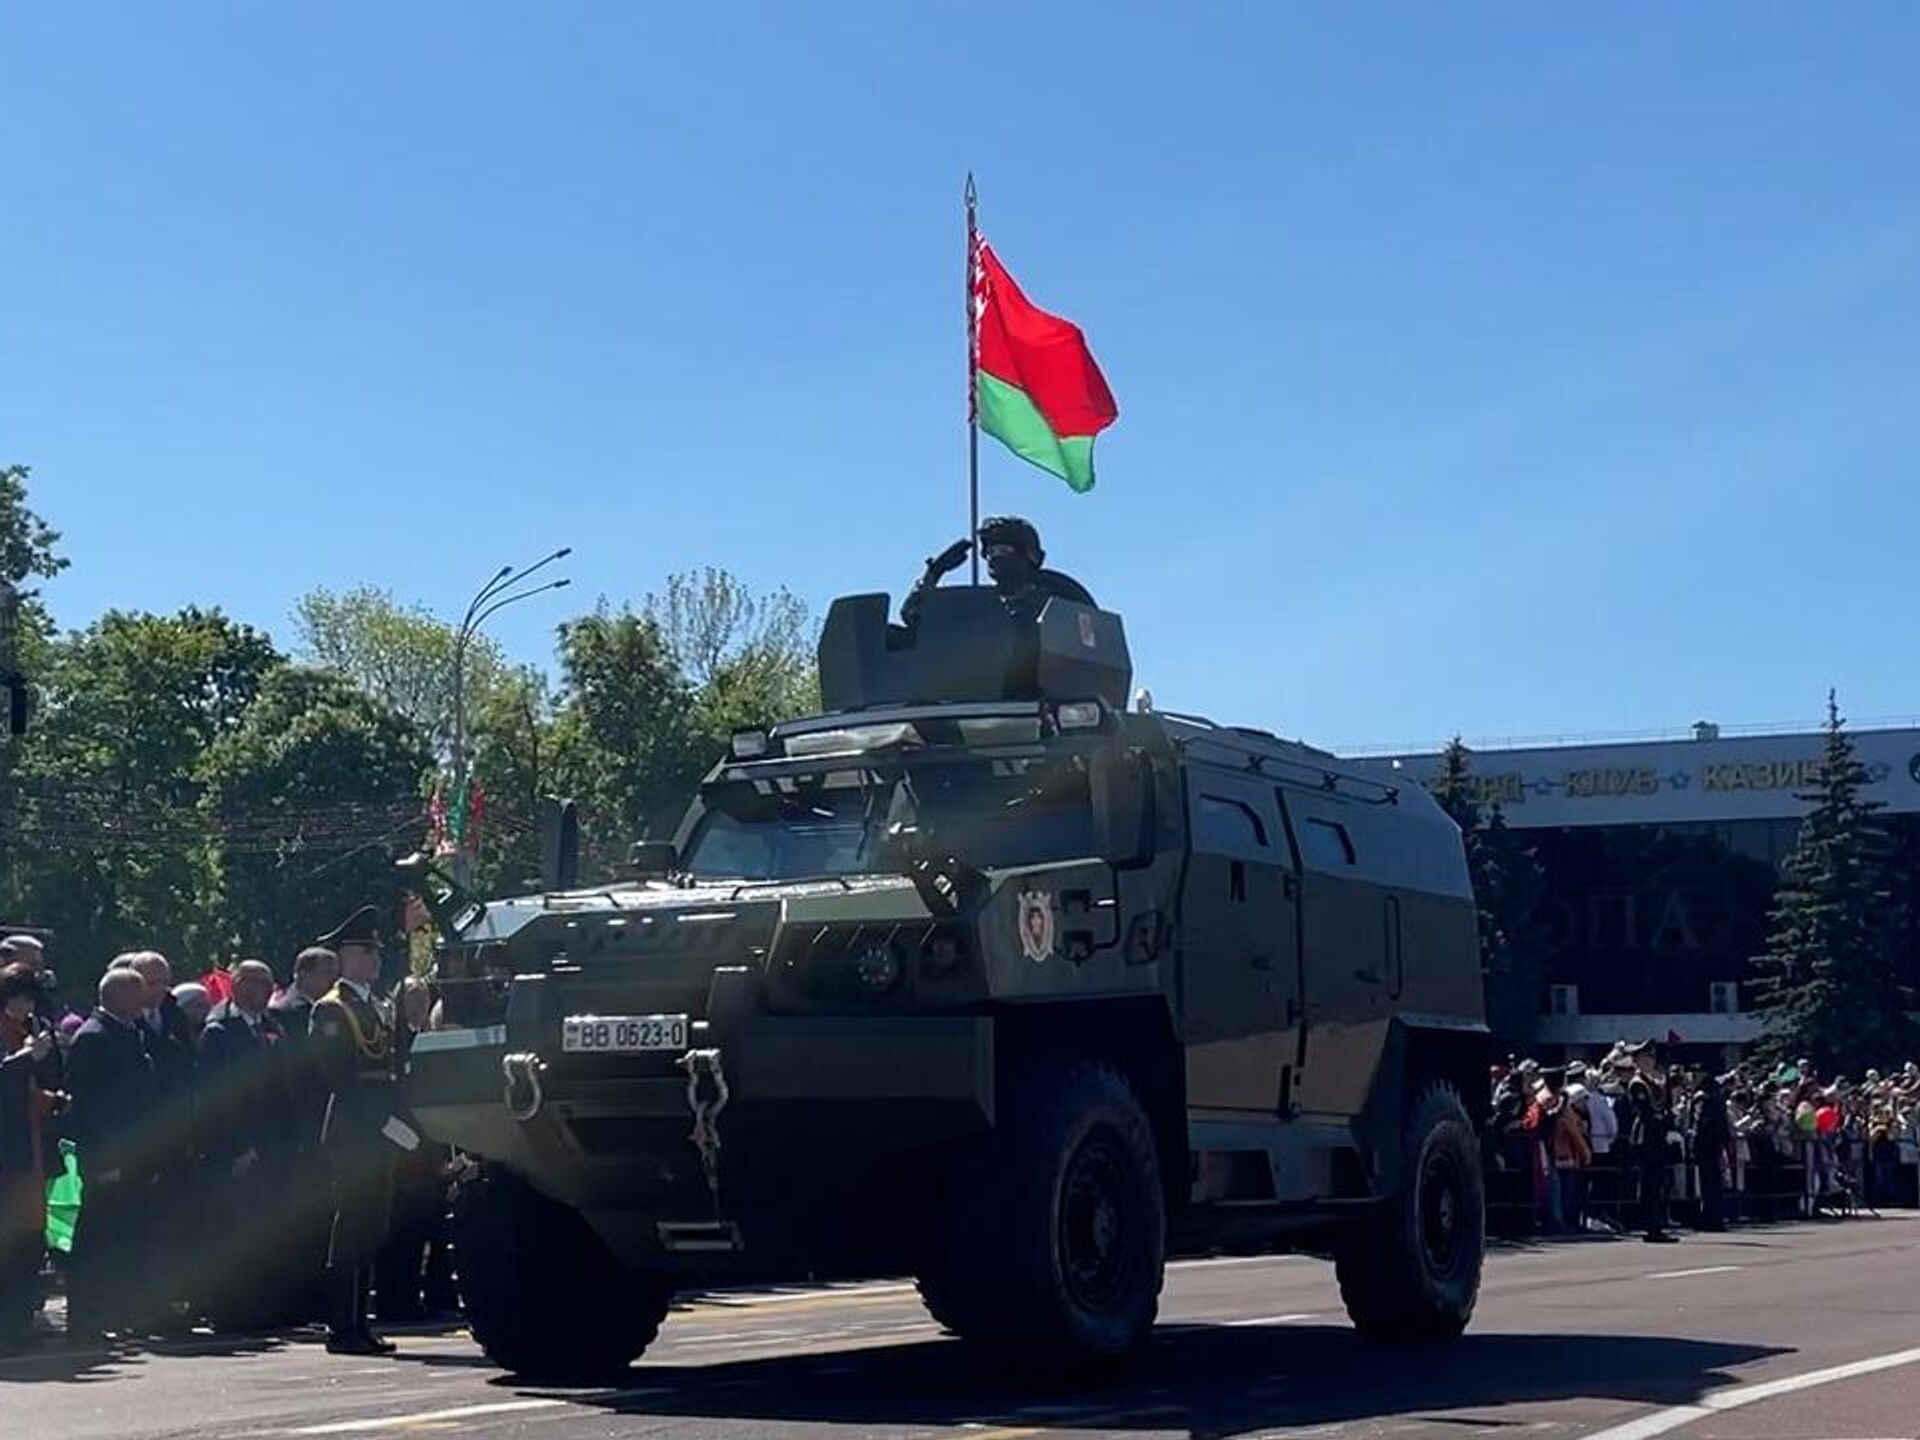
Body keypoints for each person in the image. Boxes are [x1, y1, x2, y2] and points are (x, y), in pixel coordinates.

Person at [311, 907, 402, 1355]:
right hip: (353, 1127)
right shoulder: (332, 1010)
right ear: (346, 956)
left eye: (376, 951)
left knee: (372, 1226)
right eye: (367, 951)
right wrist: (382, 1120)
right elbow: (338, 1077)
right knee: (351, 1226)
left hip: (379, 1128)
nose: (375, 958)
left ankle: (359, 1323)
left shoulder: (375, 1004)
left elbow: (390, 1069)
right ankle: (342, 1326)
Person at [65, 968, 159, 1341]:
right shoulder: (94, 1038)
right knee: (97, 1238)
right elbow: (91, 1108)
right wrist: (104, 1160)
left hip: (133, 1150)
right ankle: (85, 1319)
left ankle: (114, 1313)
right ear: (117, 996)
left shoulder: (127, 1033)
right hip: (109, 1154)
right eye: (138, 994)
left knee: (123, 1236)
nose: (144, 1003)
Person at [197, 961, 285, 1331]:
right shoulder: (221, 1030)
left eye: (269, 983)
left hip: (267, 1144)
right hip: (235, 1147)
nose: (267, 990)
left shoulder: (267, 1026)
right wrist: (239, 1145)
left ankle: (257, 1304)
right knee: (232, 1231)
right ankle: (230, 1309)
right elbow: (218, 1097)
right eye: (258, 983)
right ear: (238, 984)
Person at [127, 951, 201, 1332]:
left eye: (163, 982)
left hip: (176, 1135)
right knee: (143, 1228)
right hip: (142, 1139)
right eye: (151, 982)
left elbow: (188, 1064)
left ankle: (169, 1301)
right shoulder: (126, 1021)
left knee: (172, 1225)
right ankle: (140, 1306)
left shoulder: (171, 1014)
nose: (158, 990)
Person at [271, 944, 341, 1324]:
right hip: (299, 1127)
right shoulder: (285, 1015)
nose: (332, 982)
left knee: (319, 1216)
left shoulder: (328, 1009)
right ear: (304, 973)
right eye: (326, 973)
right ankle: (297, 1300)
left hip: (321, 1125)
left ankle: (316, 1296)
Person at [1, 965, 62, 1352]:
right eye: (20, 997)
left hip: (27, 1143)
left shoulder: (27, 1030)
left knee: (28, 1238)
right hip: (8, 1152)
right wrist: (27, 1057)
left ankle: (20, 1321)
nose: (25, 1006)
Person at [900, 515, 1096, 632]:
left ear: (1030, 556)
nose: (994, 558)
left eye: (1003, 550)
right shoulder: (983, 602)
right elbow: (913, 617)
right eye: (990, 552)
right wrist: (934, 572)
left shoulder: (1057, 593)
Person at [1626, 1076, 1677, 1244]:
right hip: (1646, 1138)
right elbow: (1643, 1110)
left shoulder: (1653, 1083)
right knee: (1650, 1184)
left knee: (1657, 1184)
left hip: (1656, 1138)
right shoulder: (1638, 1084)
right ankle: (1651, 1225)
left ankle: (1655, 1224)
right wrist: (1661, 1119)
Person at [1692, 1072, 1731, 1232]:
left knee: (1707, 1183)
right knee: (1715, 1182)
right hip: (1716, 1145)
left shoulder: (1705, 1101)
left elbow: (1702, 1124)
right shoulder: (1719, 1101)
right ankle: (1716, 1217)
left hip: (1705, 1145)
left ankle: (1709, 1217)